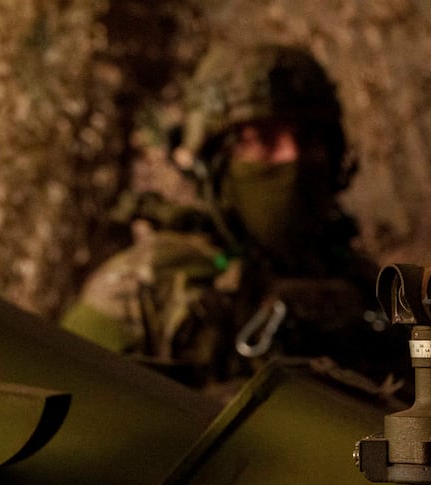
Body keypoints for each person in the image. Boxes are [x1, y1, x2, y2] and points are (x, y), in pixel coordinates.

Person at [59, 42, 406, 401]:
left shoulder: (372, 292)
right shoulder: (141, 292)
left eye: (309, 138)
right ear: (215, 162)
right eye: (264, 140)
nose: (294, 158)